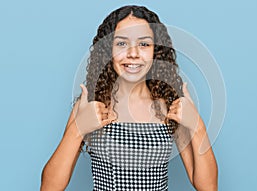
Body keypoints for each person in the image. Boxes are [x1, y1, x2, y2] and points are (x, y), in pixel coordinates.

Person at [41, 5, 218, 191]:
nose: (133, 54)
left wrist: (197, 125)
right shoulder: (91, 105)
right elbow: (49, 187)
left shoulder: (170, 107)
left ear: (155, 51)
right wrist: (77, 129)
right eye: (121, 43)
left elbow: (207, 187)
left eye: (143, 44)